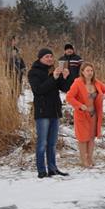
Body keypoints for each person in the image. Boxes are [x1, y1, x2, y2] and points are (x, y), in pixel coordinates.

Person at [27, 48, 71, 178]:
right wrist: (54, 77)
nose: (50, 59)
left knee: (52, 143)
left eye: (51, 56)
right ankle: (42, 171)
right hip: (42, 112)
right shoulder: (33, 72)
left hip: (54, 111)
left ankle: (53, 168)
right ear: (40, 58)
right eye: (47, 56)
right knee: (42, 143)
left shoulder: (53, 71)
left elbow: (65, 88)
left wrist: (65, 77)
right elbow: (39, 90)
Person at [65, 61, 105, 168]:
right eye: (87, 71)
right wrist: (80, 105)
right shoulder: (78, 83)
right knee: (82, 138)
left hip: (94, 114)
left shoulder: (96, 83)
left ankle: (90, 158)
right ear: (82, 72)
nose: (90, 73)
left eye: (91, 70)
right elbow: (69, 97)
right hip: (82, 114)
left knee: (91, 137)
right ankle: (83, 160)